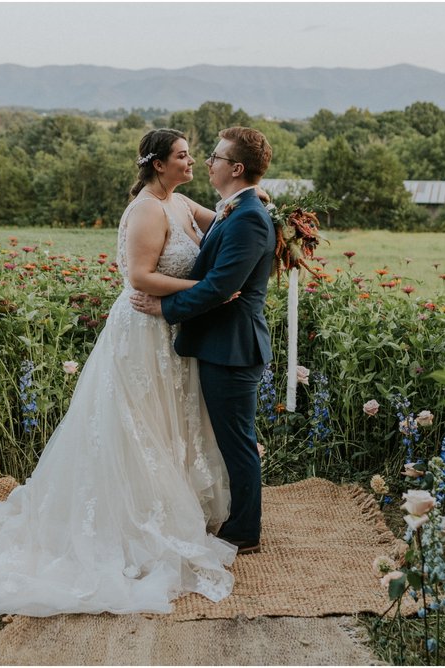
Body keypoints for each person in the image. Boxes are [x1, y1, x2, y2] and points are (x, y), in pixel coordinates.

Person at [0, 129, 238, 616]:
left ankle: (169, 506)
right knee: (134, 427)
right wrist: (209, 287)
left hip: (169, 329)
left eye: (194, 155)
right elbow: (139, 276)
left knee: (165, 419)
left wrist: (261, 214)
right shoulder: (149, 209)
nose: (191, 161)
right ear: (157, 164)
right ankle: (130, 522)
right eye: (182, 155)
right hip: (142, 328)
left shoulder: (180, 202)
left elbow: (226, 221)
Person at [130, 127, 276, 555]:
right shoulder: (235, 209)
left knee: (237, 442)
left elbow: (218, 287)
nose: (206, 162)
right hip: (218, 343)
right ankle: (231, 516)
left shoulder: (248, 216)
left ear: (235, 168)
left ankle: (245, 531)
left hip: (232, 346)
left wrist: (165, 309)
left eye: (214, 156)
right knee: (226, 438)